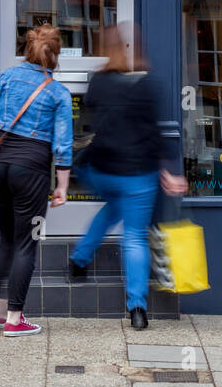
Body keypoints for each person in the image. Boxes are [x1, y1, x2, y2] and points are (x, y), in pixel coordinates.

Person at [68, 24, 187, 330]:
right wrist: (168, 172)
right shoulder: (148, 86)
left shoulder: (98, 83)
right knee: (134, 236)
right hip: (137, 174)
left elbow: (91, 123)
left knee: (113, 209)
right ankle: (137, 309)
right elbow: (153, 133)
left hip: (102, 171)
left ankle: (79, 260)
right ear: (128, 50)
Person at [0, 24, 73, 337]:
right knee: (27, 243)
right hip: (32, 170)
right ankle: (14, 318)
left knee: (3, 238)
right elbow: (63, 145)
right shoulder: (58, 92)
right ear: (54, 55)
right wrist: (62, 185)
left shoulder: (7, 77)